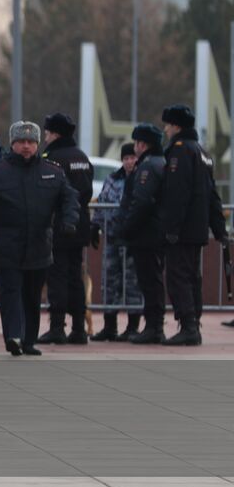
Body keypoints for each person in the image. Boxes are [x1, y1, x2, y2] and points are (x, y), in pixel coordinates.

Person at [0, 121, 79, 355]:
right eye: (21, 142)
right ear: (12, 144)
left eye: (31, 142)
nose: (26, 146)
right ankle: (13, 336)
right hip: (6, 245)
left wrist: (69, 221)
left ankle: (29, 340)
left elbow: (69, 198)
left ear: (37, 144)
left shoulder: (52, 171)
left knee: (32, 296)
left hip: (39, 246)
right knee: (11, 293)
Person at [156, 104, 228, 346]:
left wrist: (172, 229)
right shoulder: (202, 152)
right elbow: (212, 195)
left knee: (178, 277)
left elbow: (178, 194)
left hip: (182, 230)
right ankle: (192, 325)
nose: (165, 130)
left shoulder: (179, 151)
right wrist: (219, 229)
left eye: (167, 125)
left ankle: (188, 326)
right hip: (197, 229)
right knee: (192, 277)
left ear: (176, 126)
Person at [36, 113, 94, 345]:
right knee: (76, 278)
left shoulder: (53, 157)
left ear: (56, 134)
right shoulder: (81, 156)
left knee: (57, 277)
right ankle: (79, 329)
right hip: (80, 225)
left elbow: (48, 191)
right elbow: (87, 192)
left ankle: (57, 327)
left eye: (48, 133)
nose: (46, 138)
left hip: (59, 226)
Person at [120, 124, 169, 344]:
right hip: (154, 232)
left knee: (150, 281)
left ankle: (154, 327)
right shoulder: (160, 162)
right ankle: (154, 326)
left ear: (142, 144)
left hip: (147, 234)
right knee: (153, 280)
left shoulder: (148, 167)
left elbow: (141, 202)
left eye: (137, 143)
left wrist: (127, 227)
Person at [92, 143, 143, 340]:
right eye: (126, 158)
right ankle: (109, 326)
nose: (130, 161)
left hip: (133, 240)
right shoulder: (112, 179)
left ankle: (132, 326)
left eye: (133, 158)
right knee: (109, 282)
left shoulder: (142, 179)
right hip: (113, 238)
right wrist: (95, 226)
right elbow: (102, 204)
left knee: (132, 284)